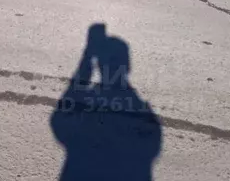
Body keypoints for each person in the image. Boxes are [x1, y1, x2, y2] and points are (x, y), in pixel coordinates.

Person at [51, 24, 162, 180]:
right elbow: (151, 141)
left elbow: (60, 119)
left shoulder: (137, 107)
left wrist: (88, 56)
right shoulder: (138, 108)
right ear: (128, 66)